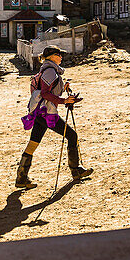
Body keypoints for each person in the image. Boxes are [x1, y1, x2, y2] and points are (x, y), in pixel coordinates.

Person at [16, 45, 94, 189]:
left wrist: (63, 88)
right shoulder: (50, 71)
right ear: (51, 56)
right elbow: (45, 94)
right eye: (58, 54)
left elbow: (49, 90)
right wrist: (65, 101)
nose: (61, 57)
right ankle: (76, 170)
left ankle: (21, 177)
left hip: (39, 113)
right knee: (72, 136)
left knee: (33, 142)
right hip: (47, 113)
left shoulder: (48, 70)